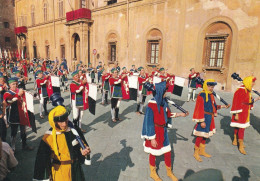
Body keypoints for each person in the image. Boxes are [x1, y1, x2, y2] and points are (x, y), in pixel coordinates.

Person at [141, 81, 187, 181]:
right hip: (154, 131)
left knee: (168, 152)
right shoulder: (151, 105)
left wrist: (180, 114)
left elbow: (168, 114)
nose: (166, 92)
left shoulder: (163, 102)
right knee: (153, 153)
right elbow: (148, 122)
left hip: (163, 131)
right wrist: (152, 138)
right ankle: (153, 173)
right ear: (161, 91)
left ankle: (169, 172)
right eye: (165, 90)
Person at [33, 106, 91, 181]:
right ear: (54, 122)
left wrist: (84, 151)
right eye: (61, 122)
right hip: (60, 172)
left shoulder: (74, 130)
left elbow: (83, 144)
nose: (64, 124)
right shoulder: (48, 137)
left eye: (66, 120)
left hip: (76, 170)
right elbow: (41, 161)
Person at [192, 79, 229, 162]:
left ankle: (202, 151)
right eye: (210, 87)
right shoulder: (201, 95)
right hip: (203, 117)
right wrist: (201, 121)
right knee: (200, 135)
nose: (211, 89)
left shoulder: (211, 95)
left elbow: (214, 106)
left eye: (212, 87)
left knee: (205, 134)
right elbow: (199, 108)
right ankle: (196, 153)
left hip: (210, 117)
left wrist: (223, 106)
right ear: (206, 86)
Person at [230, 76, 260, 155]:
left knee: (239, 126)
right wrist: (236, 113)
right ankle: (241, 145)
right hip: (240, 111)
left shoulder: (247, 90)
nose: (254, 84)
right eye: (252, 82)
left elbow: (248, 101)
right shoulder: (240, 90)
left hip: (245, 111)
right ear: (249, 82)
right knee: (241, 128)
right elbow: (236, 102)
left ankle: (235, 140)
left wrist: (256, 99)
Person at [4, 78, 33, 151]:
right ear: (9, 85)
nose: (15, 85)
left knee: (23, 131)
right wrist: (18, 95)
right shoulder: (7, 93)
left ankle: (24, 145)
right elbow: (10, 101)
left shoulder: (19, 91)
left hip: (22, 114)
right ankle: (13, 147)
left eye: (16, 84)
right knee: (14, 132)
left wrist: (29, 94)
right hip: (14, 115)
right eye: (13, 84)